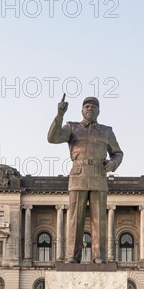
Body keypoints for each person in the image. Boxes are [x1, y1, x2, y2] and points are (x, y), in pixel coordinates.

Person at [47, 95, 123, 263]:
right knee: (75, 219)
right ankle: (73, 256)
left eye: (93, 106)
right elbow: (52, 138)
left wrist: (113, 164)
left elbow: (118, 153)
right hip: (78, 175)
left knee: (99, 220)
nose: (90, 108)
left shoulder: (106, 131)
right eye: (87, 106)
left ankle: (99, 256)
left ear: (99, 111)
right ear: (82, 110)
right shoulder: (72, 127)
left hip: (99, 174)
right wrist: (59, 115)